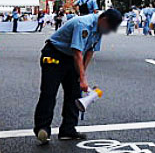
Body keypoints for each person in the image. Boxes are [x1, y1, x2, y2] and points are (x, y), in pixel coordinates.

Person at [33, 9, 122, 145]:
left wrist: (82, 76)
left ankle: (68, 129)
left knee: (74, 94)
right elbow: (77, 52)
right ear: (103, 20)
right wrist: (82, 77)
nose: (109, 31)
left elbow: (90, 51)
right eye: (109, 28)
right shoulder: (83, 24)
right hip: (54, 55)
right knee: (49, 92)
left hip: (72, 59)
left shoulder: (99, 30)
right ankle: (42, 129)